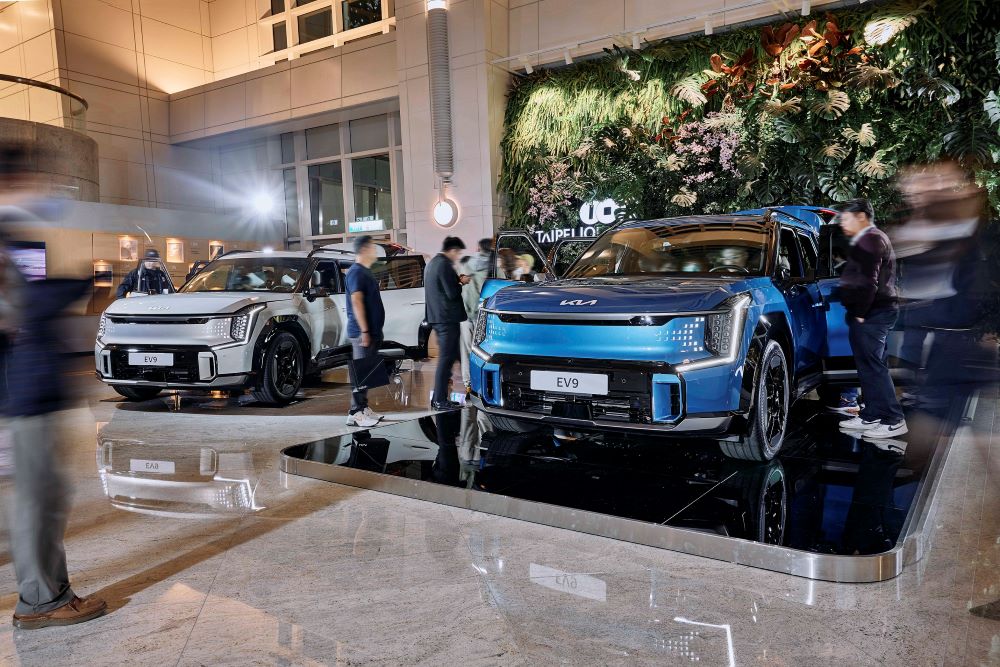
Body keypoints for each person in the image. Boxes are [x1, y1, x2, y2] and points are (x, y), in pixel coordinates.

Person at [835, 199, 907, 439]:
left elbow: (868, 281)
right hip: (875, 311)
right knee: (869, 365)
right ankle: (872, 415)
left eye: (846, 218)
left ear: (861, 217)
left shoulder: (871, 239)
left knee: (874, 366)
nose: (842, 223)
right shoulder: (871, 238)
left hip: (873, 312)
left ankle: (893, 419)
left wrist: (860, 312)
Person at [344, 235, 385, 428]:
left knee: (367, 373)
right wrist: (365, 331)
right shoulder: (356, 272)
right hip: (362, 333)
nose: (375, 251)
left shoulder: (364, 272)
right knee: (361, 373)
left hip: (370, 332)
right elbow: (357, 301)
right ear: (364, 249)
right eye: (372, 247)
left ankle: (363, 408)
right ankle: (356, 412)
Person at [425, 236, 468, 410]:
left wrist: (456, 279)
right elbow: (452, 293)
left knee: (450, 357)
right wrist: (462, 282)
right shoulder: (444, 265)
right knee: (445, 360)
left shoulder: (433, 263)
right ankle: (440, 400)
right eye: (458, 253)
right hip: (447, 319)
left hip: (439, 318)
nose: (458, 257)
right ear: (452, 250)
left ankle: (440, 397)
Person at [459, 239, 491, 393]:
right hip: (482, 315)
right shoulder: (493, 268)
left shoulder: (466, 264)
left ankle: (468, 384)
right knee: (481, 351)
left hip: (465, 313)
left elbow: (459, 286)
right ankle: (481, 384)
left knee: (466, 351)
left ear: (478, 248)